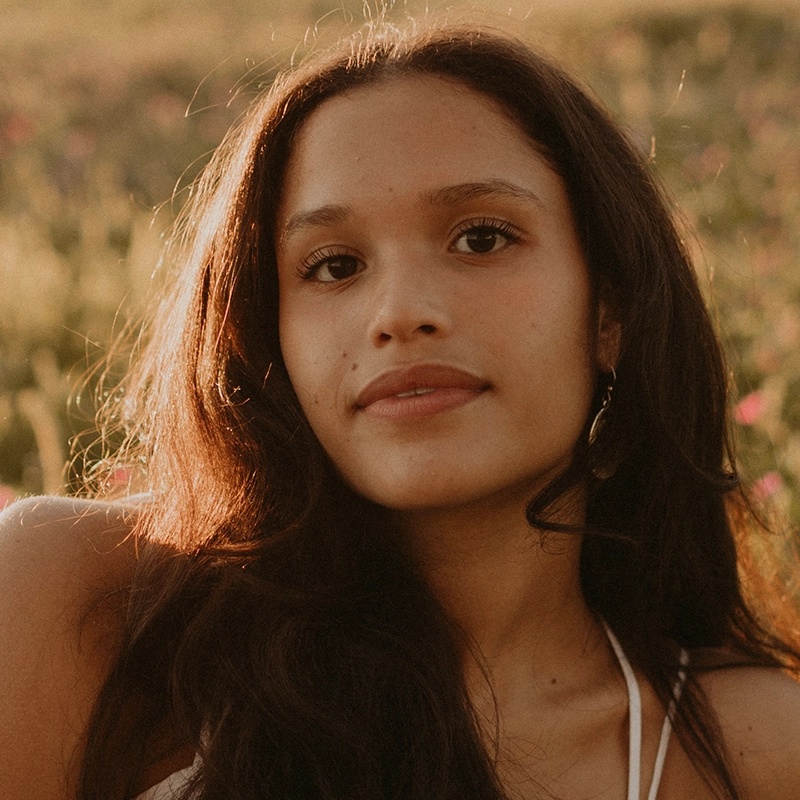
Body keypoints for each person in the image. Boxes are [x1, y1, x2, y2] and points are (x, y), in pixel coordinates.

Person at [2, 19, 800, 800]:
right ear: (269, 335)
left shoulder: (749, 748)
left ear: (610, 310)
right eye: (334, 265)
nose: (401, 312)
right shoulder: (82, 603)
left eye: (481, 239)